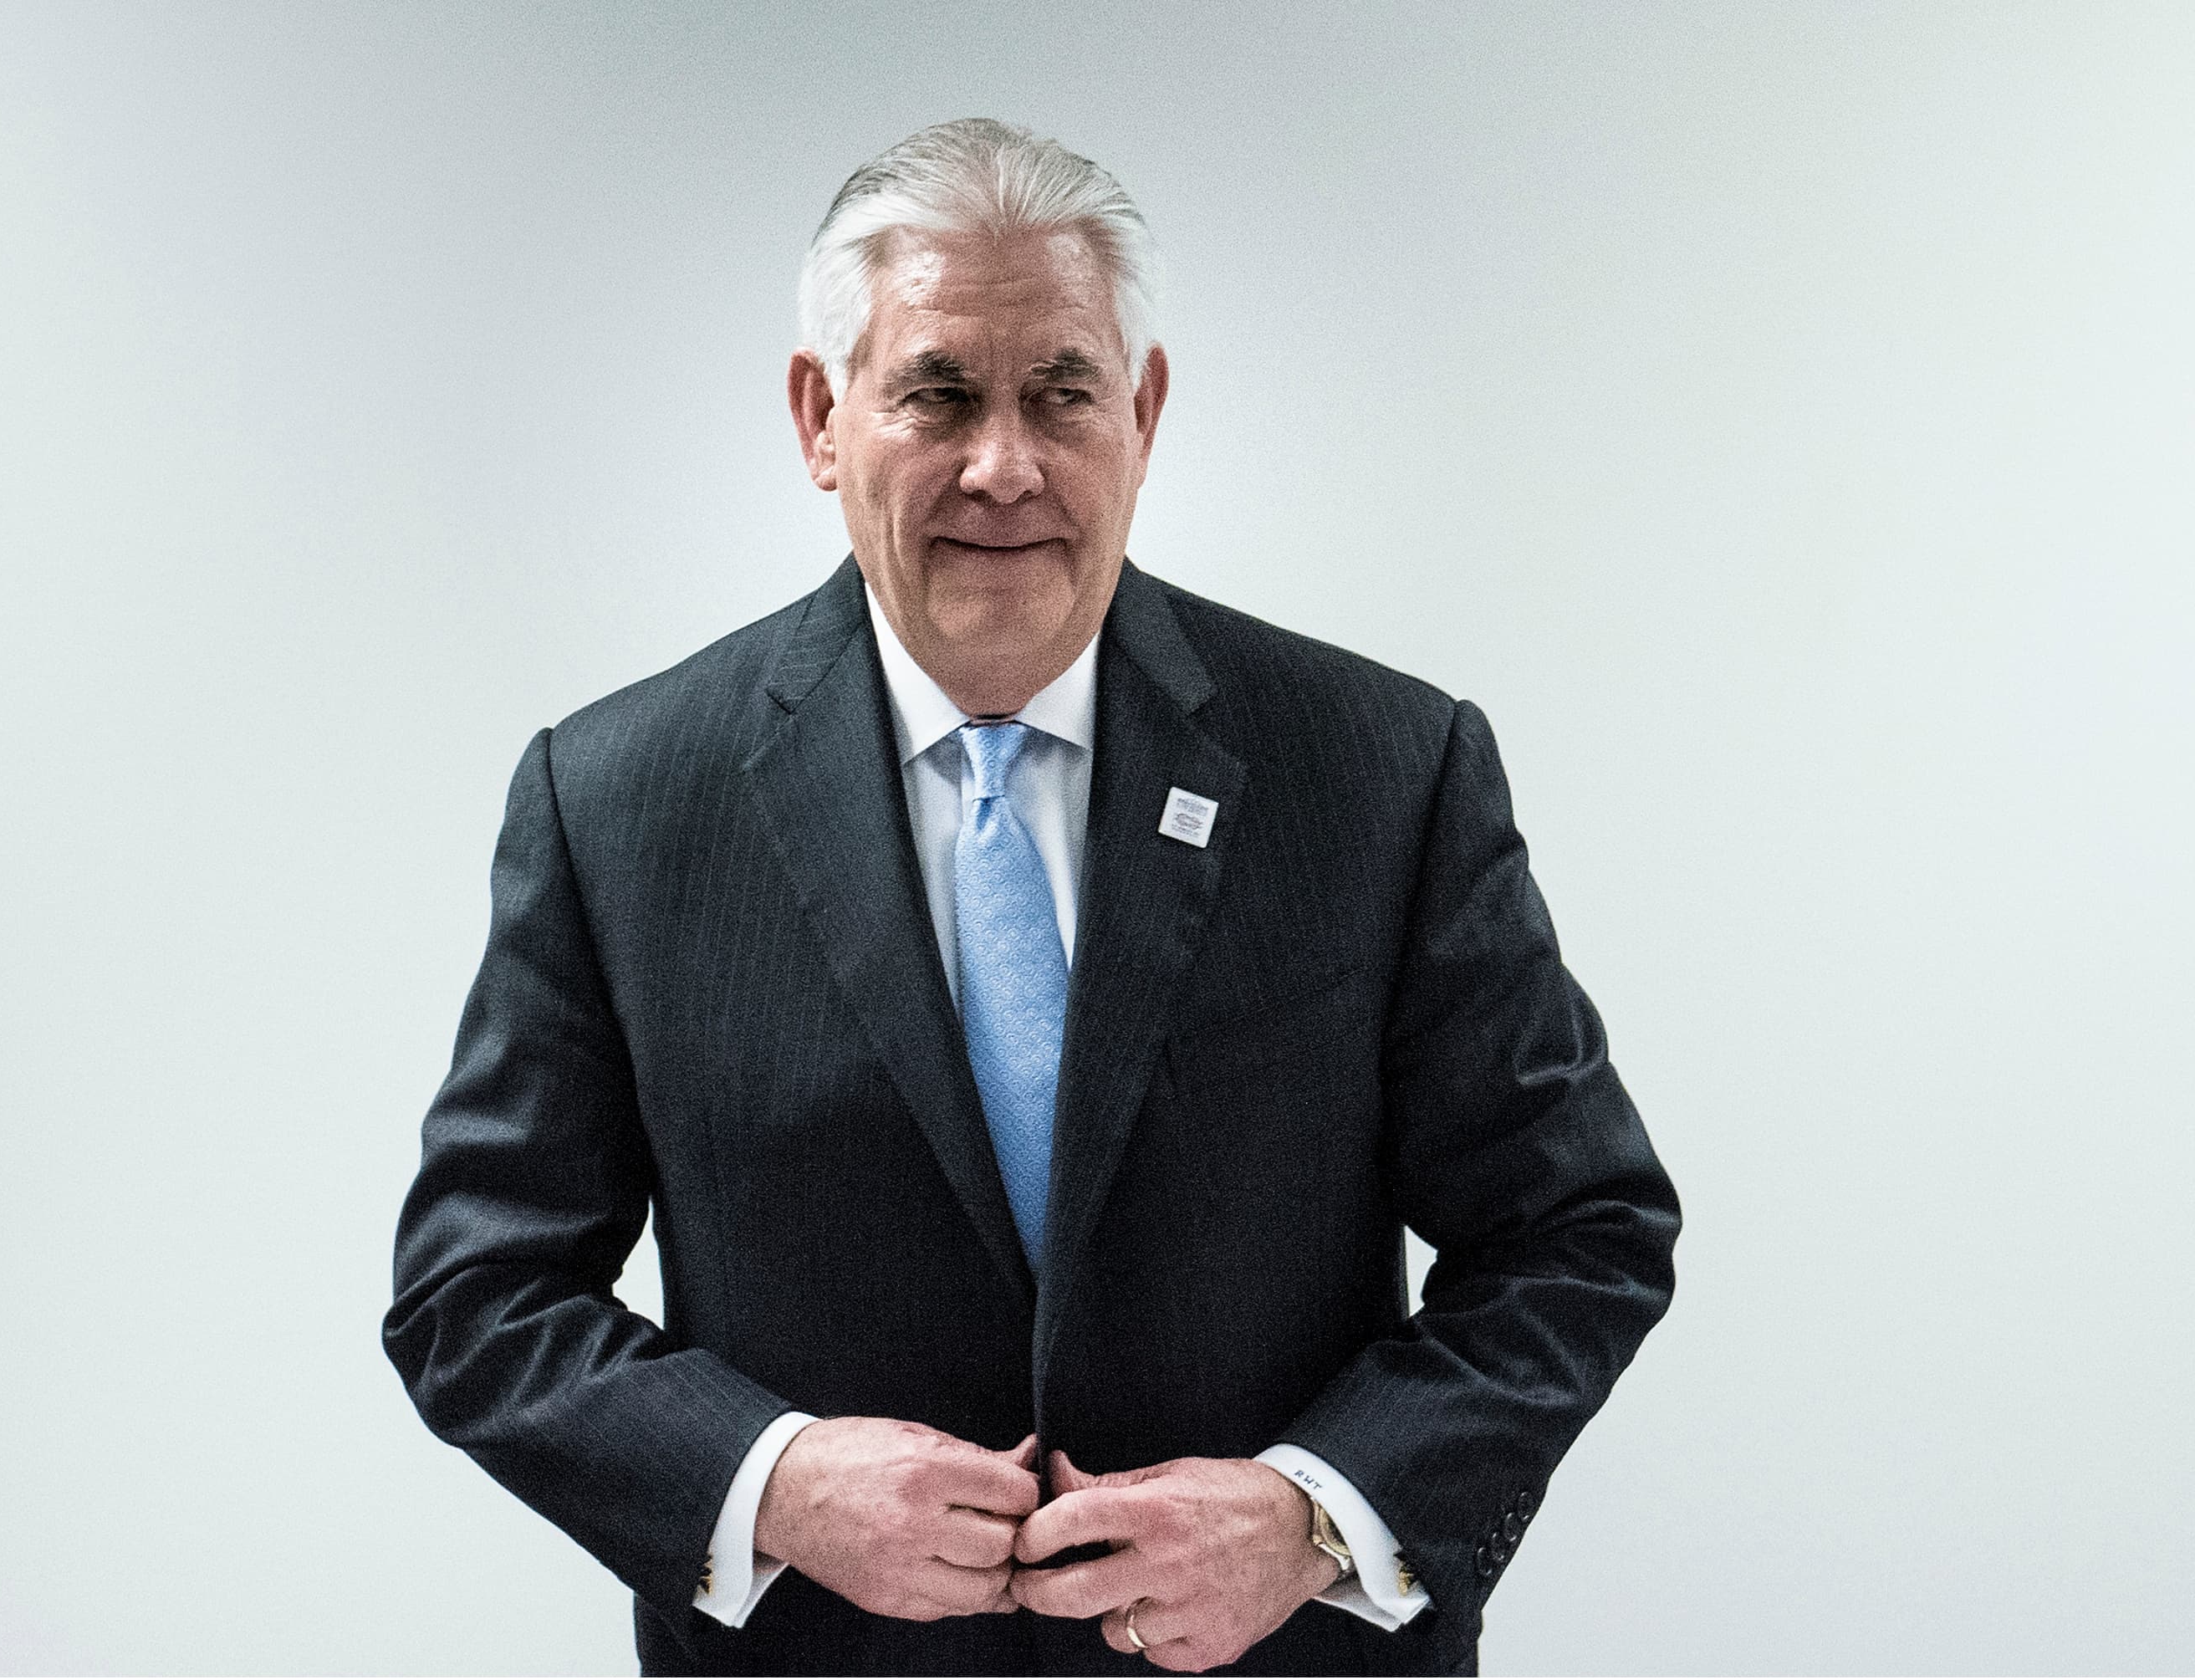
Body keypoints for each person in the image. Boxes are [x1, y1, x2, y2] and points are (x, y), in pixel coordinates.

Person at [384, 118, 1679, 1677]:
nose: (1004, 463)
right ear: (820, 413)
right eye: (937, 392)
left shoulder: (1380, 769)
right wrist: (769, 1481)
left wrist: (1314, 1513)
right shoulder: (617, 802)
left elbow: (1576, 1227)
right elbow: (478, 1288)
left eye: (1060, 393)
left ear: (1139, 414)